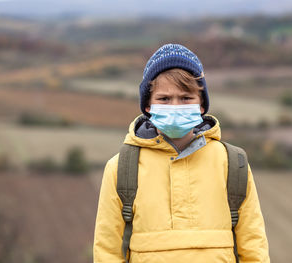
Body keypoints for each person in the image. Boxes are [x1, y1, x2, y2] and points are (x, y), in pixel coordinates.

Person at [93, 43, 270, 263]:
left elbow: (254, 250)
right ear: (147, 105)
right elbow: (107, 252)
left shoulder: (233, 163)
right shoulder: (121, 168)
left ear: (202, 105)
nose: (175, 106)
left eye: (186, 98)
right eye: (164, 99)